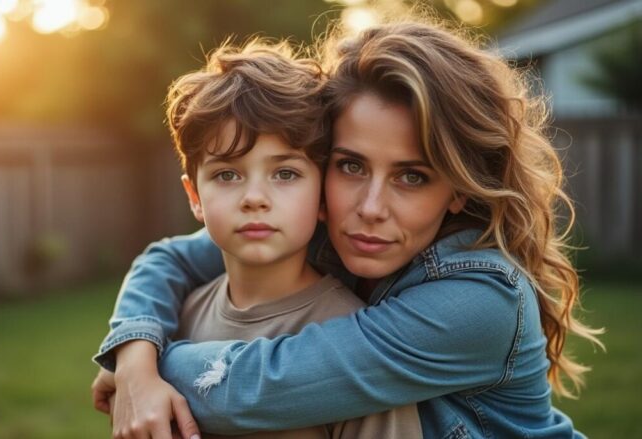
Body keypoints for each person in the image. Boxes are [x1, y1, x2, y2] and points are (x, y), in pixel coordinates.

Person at [92, 18, 603, 439]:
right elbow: (171, 259)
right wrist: (136, 355)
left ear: (459, 189)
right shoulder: (311, 225)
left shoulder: (479, 301)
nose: (370, 207)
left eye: (412, 176)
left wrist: (144, 370)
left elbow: (254, 390)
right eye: (351, 166)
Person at [95, 38, 422, 439]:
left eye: (285, 174)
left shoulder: (356, 343)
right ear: (194, 197)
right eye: (227, 174)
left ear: (323, 195)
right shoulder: (174, 320)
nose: (254, 198)